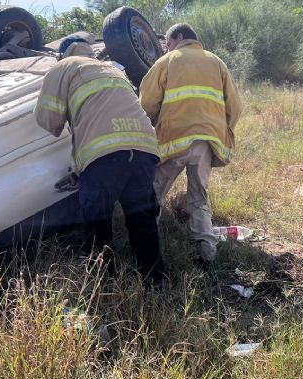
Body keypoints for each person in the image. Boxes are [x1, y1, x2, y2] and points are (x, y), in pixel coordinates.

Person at [35, 35, 166, 282]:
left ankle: (104, 284)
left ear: (63, 54)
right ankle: (155, 282)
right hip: (145, 148)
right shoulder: (113, 69)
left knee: (97, 222)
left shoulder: (63, 67)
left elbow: (48, 120)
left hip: (103, 154)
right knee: (142, 220)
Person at [139, 23, 243, 264]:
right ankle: (207, 251)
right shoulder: (217, 62)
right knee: (199, 197)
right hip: (206, 142)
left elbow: (145, 103)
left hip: (173, 139)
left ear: (179, 37)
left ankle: (148, 249)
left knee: (153, 192)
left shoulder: (167, 61)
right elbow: (235, 108)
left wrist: (153, 127)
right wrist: (222, 129)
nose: (166, 47)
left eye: (168, 42)